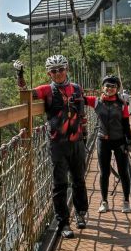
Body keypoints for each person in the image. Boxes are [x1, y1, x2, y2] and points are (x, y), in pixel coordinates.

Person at [19, 55, 90, 240]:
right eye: (54, 70)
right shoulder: (46, 90)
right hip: (58, 144)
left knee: (79, 179)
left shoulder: (76, 88)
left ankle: (81, 213)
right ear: (48, 73)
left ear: (67, 69)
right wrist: (20, 75)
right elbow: (25, 93)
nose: (58, 73)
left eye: (61, 69)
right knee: (60, 184)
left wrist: (85, 135)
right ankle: (63, 222)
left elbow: (82, 114)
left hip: (77, 142)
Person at [85, 75, 131, 213]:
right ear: (102, 87)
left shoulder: (122, 104)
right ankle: (104, 201)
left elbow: (126, 124)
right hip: (103, 140)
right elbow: (78, 98)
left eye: (113, 86)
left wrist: (128, 142)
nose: (110, 88)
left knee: (123, 172)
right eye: (107, 86)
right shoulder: (96, 102)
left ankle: (125, 201)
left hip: (119, 141)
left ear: (117, 89)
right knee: (104, 172)